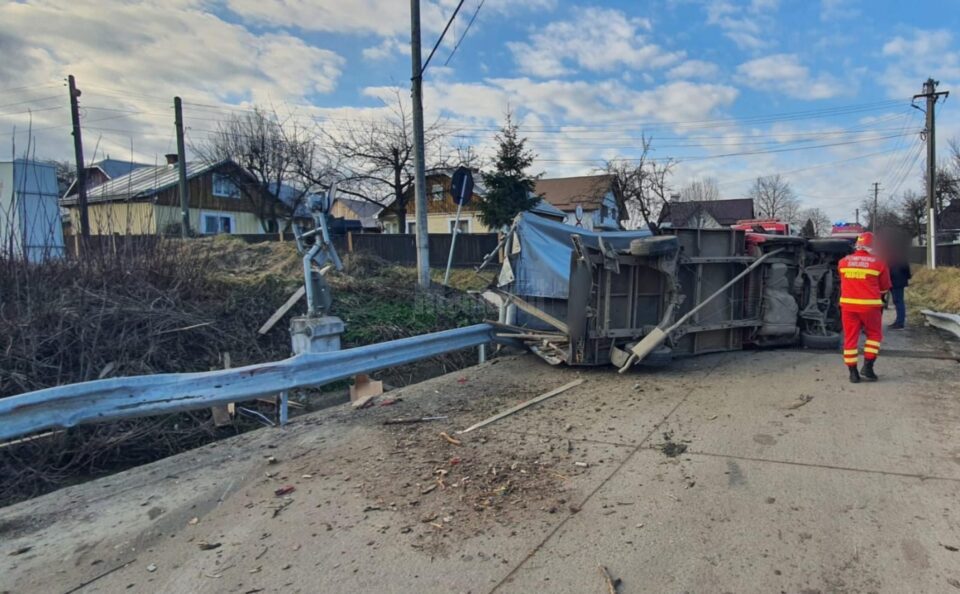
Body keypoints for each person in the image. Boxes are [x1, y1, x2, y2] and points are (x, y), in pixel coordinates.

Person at [838, 232, 892, 383]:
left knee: (850, 339)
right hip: (870, 307)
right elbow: (884, 288)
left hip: (848, 306)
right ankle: (868, 367)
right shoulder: (879, 262)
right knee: (874, 336)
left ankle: (853, 373)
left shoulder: (843, 262)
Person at [888, 258, 911, 329]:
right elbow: (907, 269)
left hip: (894, 281)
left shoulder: (889, 257)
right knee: (898, 301)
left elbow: (889, 270)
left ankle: (900, 322)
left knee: (898, 301)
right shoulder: (901, 257)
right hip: (899, 281)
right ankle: (899, 321)